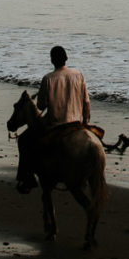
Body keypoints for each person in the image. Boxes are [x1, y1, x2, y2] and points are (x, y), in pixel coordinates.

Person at [16, 45, 92, 193]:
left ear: (52, 60)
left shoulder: (48, 78)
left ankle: (27, 178)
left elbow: (41, 105)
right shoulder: (78, 74)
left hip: (56, 125)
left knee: (24, 140)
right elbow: (86, 102)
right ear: (66, 58)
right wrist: (86, 122)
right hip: (76, 123)